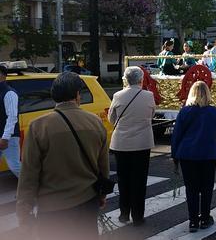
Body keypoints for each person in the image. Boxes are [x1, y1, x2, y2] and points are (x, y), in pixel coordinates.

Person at [16, 72, 109, 240]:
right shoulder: (95, 122)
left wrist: (24, 210)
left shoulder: (38, 126)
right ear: (77, 95)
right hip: (88, 201)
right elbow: (103, 165)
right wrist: (101, 195)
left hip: (53, 208)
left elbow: (29, 174)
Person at [171, 81, 216, 232]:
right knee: (207, 187)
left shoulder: (185, 111)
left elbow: (177, 135)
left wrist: (174, 155)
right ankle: (205, 218)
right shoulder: (214, 112)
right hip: (208, 154)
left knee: (191, 188)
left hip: (188, 154)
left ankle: (193, 220)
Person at [108, 66, 155, 225]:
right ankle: (137, 216)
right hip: (142, 143)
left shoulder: (117, 95)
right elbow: (152, 115)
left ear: (126, 80)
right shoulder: (149, 96)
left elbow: (111, 119)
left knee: (123, 179)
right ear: (141, 80)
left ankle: (124, 213)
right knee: (139, 181)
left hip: (121, 143)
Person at [0, 65, 20, 178]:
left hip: (8, 137)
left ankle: (33, 186)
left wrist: (5, 137)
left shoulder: (9, 93)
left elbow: (12, 117)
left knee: (15, 166)